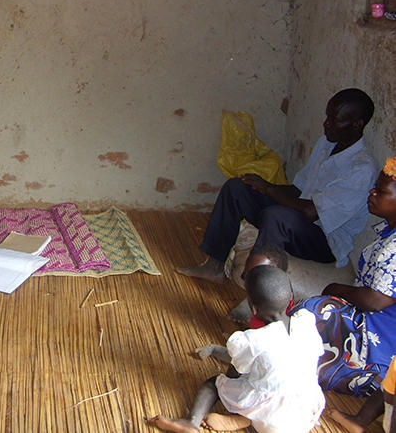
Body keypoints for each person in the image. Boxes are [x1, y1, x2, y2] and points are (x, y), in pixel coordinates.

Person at [177, 88, 378, 284]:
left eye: (334, 120)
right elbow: (299, 190)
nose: (326, 124)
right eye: (327, 116)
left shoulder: (361, 168)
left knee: (277, 216)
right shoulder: (327, 144)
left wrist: (270, 190)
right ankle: (214, 266)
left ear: (356, 125)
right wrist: (263, 185)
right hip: (300, 221)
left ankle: (256, 288)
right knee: (238, 188)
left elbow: (312, 212)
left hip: (326, 241)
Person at [147, 265, 325, 433]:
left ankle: (191, 422)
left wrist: (226, 378)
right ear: (291, 298)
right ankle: (246, 419)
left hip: (272, 417)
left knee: (215, 383)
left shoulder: (254, 339)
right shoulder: (306, 321)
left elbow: (235, 367)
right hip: (304, 414)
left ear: (253, 309)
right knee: (268, 381)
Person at [292, 158, 396, 407]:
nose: (372, 193)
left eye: (380, 191)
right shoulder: (388, 233)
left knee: (315, 312)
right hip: (369, 327)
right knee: (311, 319)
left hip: (378, 344)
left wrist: (335, 290)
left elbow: (375, 300)